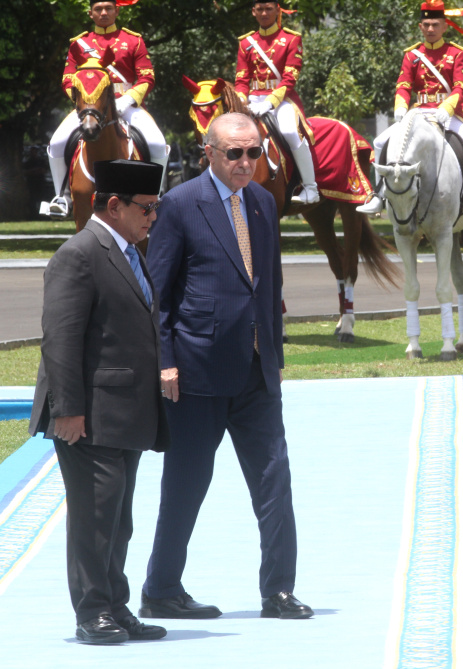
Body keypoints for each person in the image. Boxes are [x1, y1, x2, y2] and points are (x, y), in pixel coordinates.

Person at [141, 112, 312, 621]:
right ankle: (161, 589)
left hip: (257, 372)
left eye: (253, 152)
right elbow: (158, 295)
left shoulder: (262, 202)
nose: (245, 163)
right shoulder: (178, 205)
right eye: (234, 153)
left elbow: (270, 286)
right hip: (196, 372)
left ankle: (278, 590)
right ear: (208, 154)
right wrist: (165, 363)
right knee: (187, 484)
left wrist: (275, 354)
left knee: (274, 479)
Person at [29, 159, 169, 644]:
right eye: (148, 208)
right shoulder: (80, 253)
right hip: (88, 416)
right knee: (94, 518)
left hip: (125, 412)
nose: (154, 216)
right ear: (114, 205)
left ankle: (115, 604)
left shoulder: (130, 251)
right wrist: (66, 410)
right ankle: (92, 613)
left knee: (118, 518)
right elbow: (60, 339)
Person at [359, 1, 463, 220]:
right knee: (380, 141)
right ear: (420, 27)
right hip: (418, 113)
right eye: (426, 24)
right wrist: (400, 107)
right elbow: (403, 85)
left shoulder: (456, 54)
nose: (430, 29)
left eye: (435, 24)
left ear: (444, 26)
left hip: (448, 115)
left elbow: (462, 85)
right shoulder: (412, 55)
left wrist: (447, 107)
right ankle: (378, 194)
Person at [47, 0, 166, 218]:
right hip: (90, 106)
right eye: (98, 9)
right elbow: (67, 79)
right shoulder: (79, 43)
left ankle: (158, 195)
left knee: (157, 143)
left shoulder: (133, 41)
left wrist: (128, 99)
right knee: (56, 143)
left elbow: (147, 77)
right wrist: (83, 101)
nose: (104, 13)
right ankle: (61, 197)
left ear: (117, 11)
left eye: (108, 8)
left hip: (126, 104)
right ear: (90, 13)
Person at [235, 0, 319, 206]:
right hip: (252, 99)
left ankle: (310, 187)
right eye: (260, 9)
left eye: (269, 9)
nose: (264, 13)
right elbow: (241, 80)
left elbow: (290, 78)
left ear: (277, 10)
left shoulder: (291, 39)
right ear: (253, 12)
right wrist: (240, 102)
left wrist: (270, 102)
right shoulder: (246, 43)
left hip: (282, 99)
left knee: (289, 131)